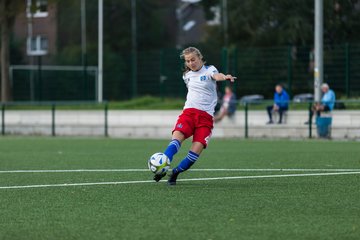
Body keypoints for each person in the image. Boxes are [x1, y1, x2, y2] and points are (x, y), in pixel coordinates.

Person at [153, 46, 236, 185]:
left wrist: (225, 77)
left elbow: (216, 76)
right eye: (188, 61)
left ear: (200, 58)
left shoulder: (210, 69)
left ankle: (175, 173)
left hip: (205, 119)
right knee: (176, 139)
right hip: (189, 114)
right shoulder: (187, 75)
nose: (191, 63)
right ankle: (162, 166)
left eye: (193, 59)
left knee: (194, 154)